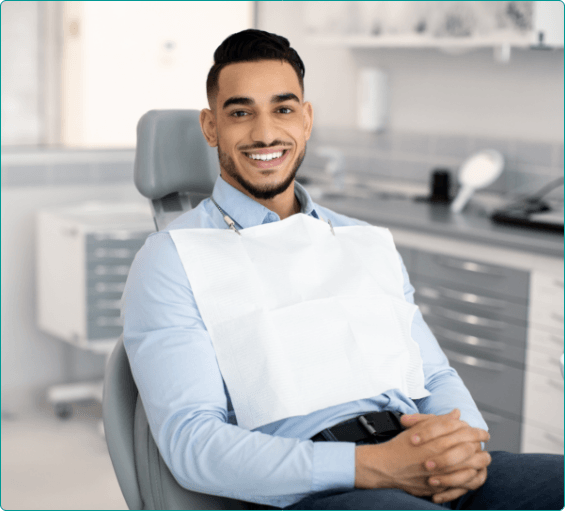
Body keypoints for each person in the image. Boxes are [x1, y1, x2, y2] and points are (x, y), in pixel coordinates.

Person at [121, 29, 564, 510]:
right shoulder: (173, 258)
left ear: (307, 119)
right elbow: (194, 444)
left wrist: (466, 450)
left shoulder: (364, 240)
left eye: (284, 109)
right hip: (323, 487)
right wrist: (372, 467)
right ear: (211, 128)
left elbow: (434, 379)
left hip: (422, 462)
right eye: (241, 112)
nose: (265, 133)